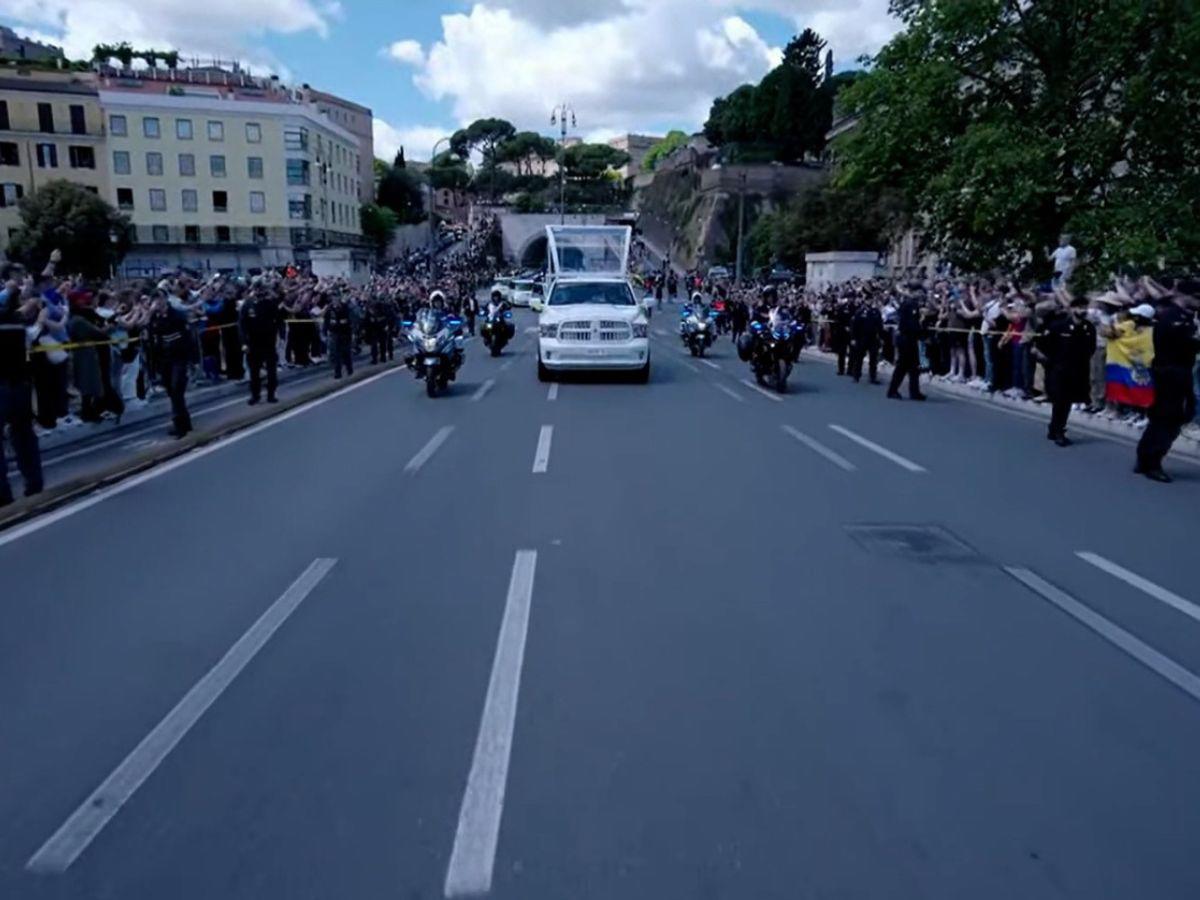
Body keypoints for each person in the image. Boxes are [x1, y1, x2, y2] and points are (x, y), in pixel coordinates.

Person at [1135, 290, 1199, 482]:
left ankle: (1145, 457)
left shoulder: (1181, 316)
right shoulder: (1173, 318)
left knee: (1161, 417)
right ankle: (1153, 461)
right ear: (1184, 295)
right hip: (1172, 372)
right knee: (1169, 418)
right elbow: (1184, 344)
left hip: (1175, 371)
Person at [0, 270, 44, 506]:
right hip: (21, 383)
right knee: (23, 434)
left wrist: (15, 289)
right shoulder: (18, 322)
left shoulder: (13, 318)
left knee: (18, 435)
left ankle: (3, 494)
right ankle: (34, 484)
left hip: (6, 384)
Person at [1033, 295, 1095, 446]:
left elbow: (1090, 349)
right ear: (1072, 309)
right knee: (1060, 400)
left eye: (1085, 307)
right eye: (1080, 307)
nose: (1083, 310)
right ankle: (1059, 431)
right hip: (1059, 370)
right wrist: (1049, 362)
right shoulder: (1058, 326)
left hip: (1078, 370)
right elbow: (1041, 345)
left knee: (1066, 402)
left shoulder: (1088, 327)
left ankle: (1055, 428)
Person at [148, 290, 193, 438]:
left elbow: (187, 337)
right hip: (164, 359)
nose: (158, 302)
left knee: (176, 389)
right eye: (155, 299)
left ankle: (180, 425)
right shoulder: (154, 317)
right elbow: (153, 337)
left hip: (178, 357)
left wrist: (189, 359)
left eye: (160, 298)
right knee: (171, 391)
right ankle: (185, 421)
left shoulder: (177, 316)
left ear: (166, 299)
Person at [240, 286, 280, 405]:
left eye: (261, 289)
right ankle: (255, 395)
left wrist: (276, 334)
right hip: (253, 342)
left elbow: (278, 320)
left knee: (271, 370)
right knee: (254, 371)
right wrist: (244, 343)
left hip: (268, 341)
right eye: (257, 289)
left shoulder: (270, 304)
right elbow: (242, 324)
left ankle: (271, 394)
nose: (259, 292)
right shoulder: (248, 304)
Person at [887, 288, 927, 400]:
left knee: (914, 367)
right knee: (902, 366)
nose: (921, 294)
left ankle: (914, 392)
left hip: (909, 339)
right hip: (907, 339)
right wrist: (922, 330)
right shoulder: (911, 305)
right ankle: (893, 390)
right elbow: (912, 325)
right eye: (919, 292)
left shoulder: (908, 304)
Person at [849, 300, 883, 384]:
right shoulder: (860, 312)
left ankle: (872, 377)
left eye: (871, 300)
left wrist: (881, 338)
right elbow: (854, 326)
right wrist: (853, 338)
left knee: (873, 359)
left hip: (873, 338)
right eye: (868, 300)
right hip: (861, 338)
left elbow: (880, 326)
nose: (869, 302)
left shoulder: (876, 312)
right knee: (859, 358)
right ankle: (856, 376)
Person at [323, 291, 354, 379]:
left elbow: (350, 320)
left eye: (336, 298)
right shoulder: (330, 309)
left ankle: (349, 369)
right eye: (333, 298)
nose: (335, 300)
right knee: (336, 354)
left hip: (345, 332)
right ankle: (338, 373)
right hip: (334, 333)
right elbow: (326, 320)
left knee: (346, 352)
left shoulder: (345, 307)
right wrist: (325, 331)